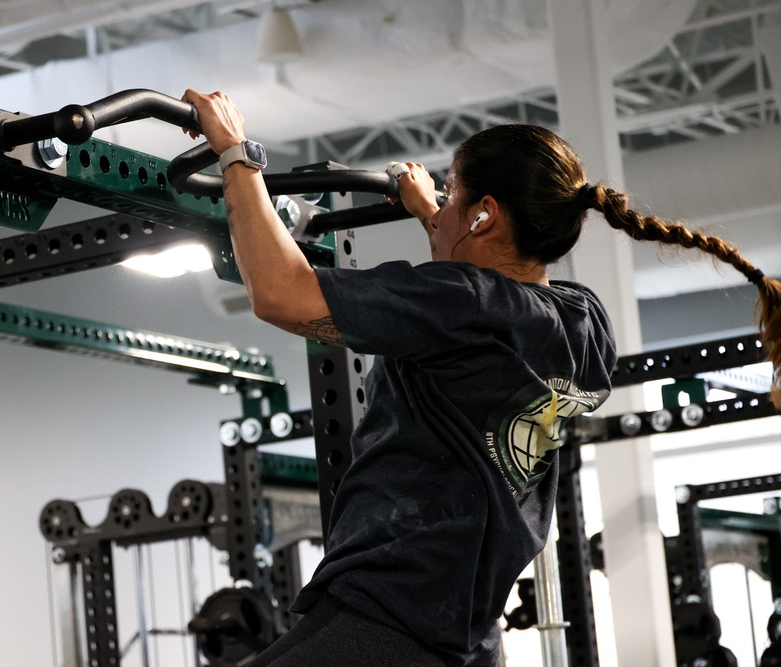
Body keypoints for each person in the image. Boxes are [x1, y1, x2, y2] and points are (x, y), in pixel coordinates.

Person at [181, 89, 781, 666]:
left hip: (388, 616)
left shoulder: (463, 303)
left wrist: (238, 156)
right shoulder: (583, 323)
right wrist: (433, 214)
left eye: (452, 194)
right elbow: (478, 310)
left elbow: (282, 295)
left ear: (486, 214)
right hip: (467, 636)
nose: (440, 206)